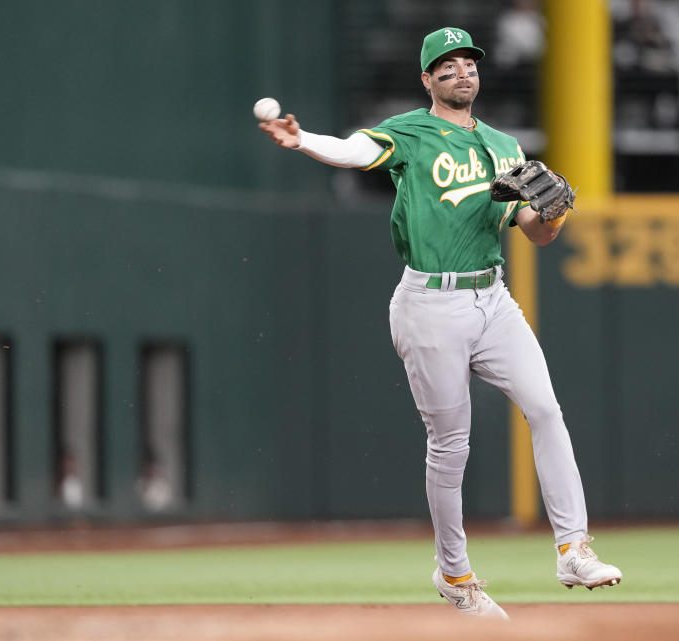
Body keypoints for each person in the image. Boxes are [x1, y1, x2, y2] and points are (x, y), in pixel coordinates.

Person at [258, 26, 621, 619]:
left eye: (468, 64)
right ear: (427, 80)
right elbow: (356, 151)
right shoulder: (410, 132)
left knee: (547, 410)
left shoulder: (504, 146)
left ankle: (573, 549)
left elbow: (533, 229)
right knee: (450, 445)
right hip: (430, 304)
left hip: (492, 297)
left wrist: (552, 214)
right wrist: (303, 142)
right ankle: (455, 575)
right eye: (445, 66)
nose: (460, 73)